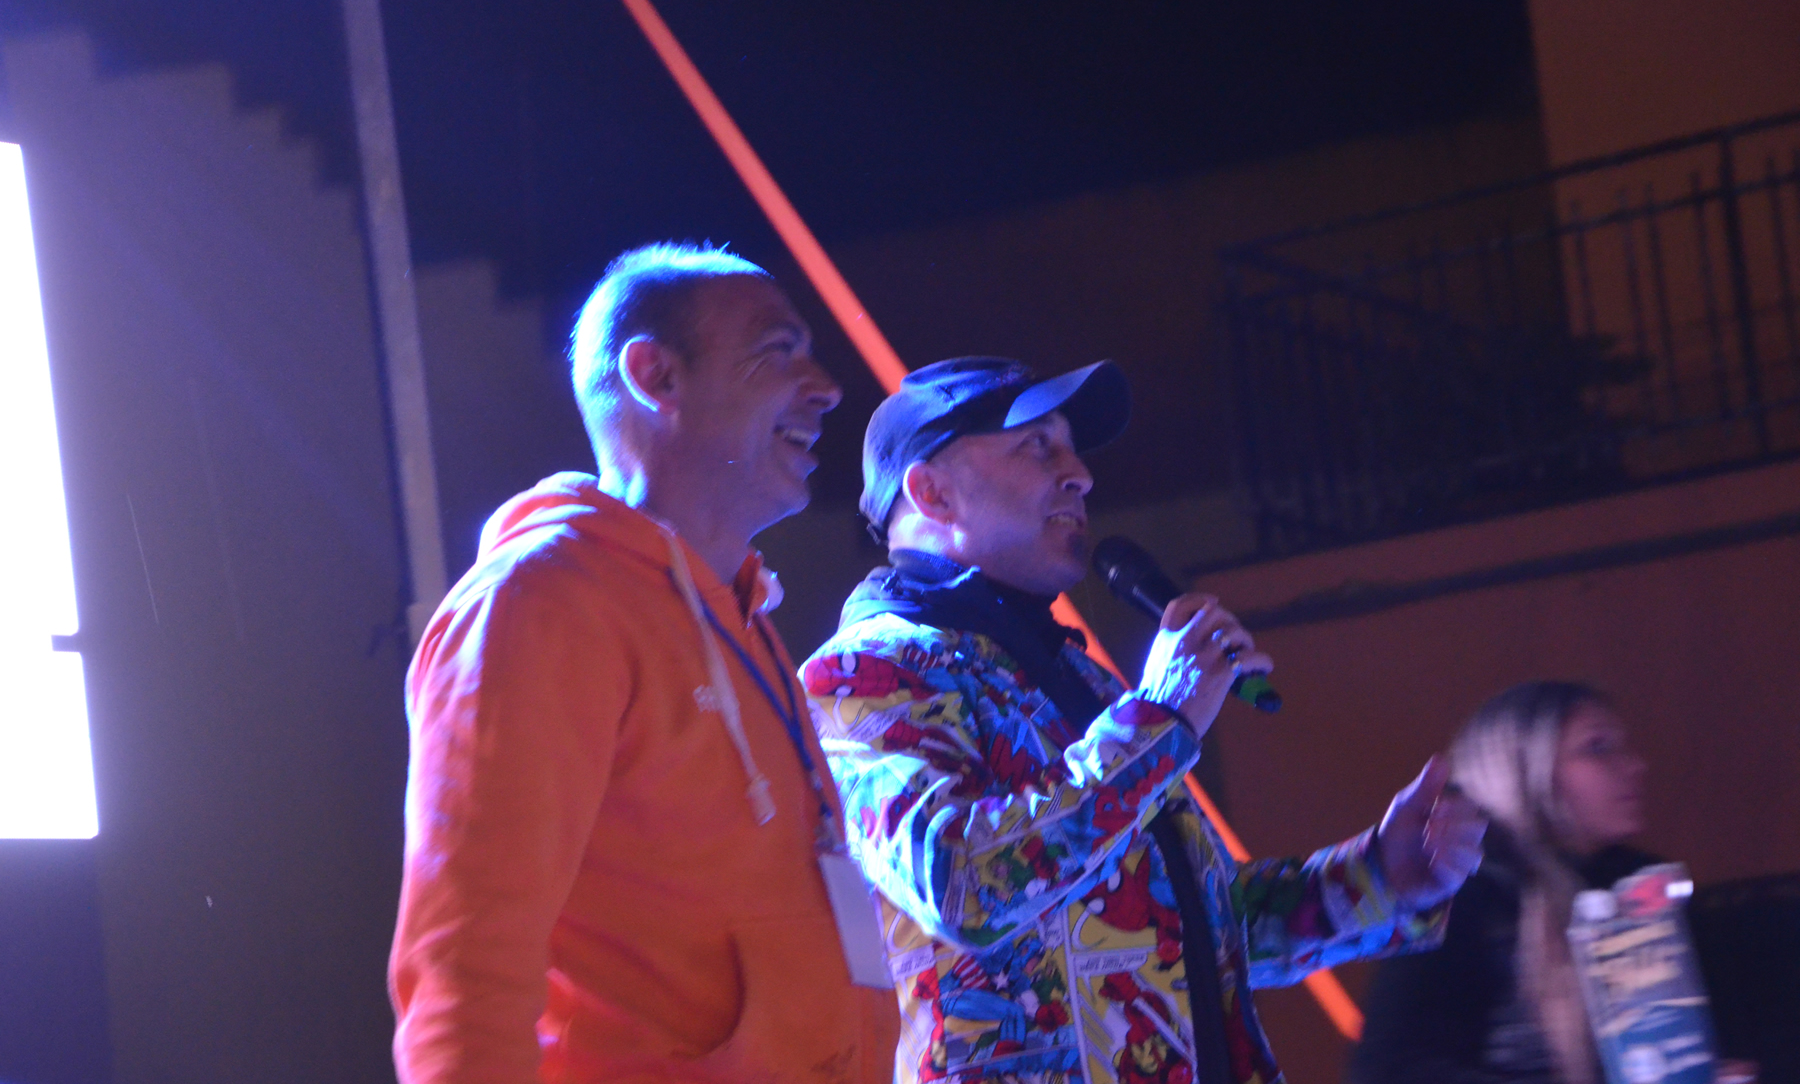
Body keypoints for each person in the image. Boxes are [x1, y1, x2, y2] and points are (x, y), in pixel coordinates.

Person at [798, 356, 1489, 1084]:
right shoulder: (861, 676)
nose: (1080, 475)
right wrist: (1158, 720)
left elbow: (1180, 931)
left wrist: (1378, 877)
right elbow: (965, 885)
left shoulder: (1076, 678)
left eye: (1072, 449)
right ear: (931, 492)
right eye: (1037, 445)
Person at [389, 243, 898, 1083]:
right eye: (779, 351)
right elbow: (468, 966)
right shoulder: (543, 604)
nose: (826, 387)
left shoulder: (737, 610)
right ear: (656, 376)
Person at [1350, 680, 1754, 1084]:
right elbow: (1388, 1071)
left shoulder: (1649, 886)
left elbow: (1723, 1038)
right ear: (1522, 770)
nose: (1635, 766)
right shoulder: (1460, 896)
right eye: (1598, 747)